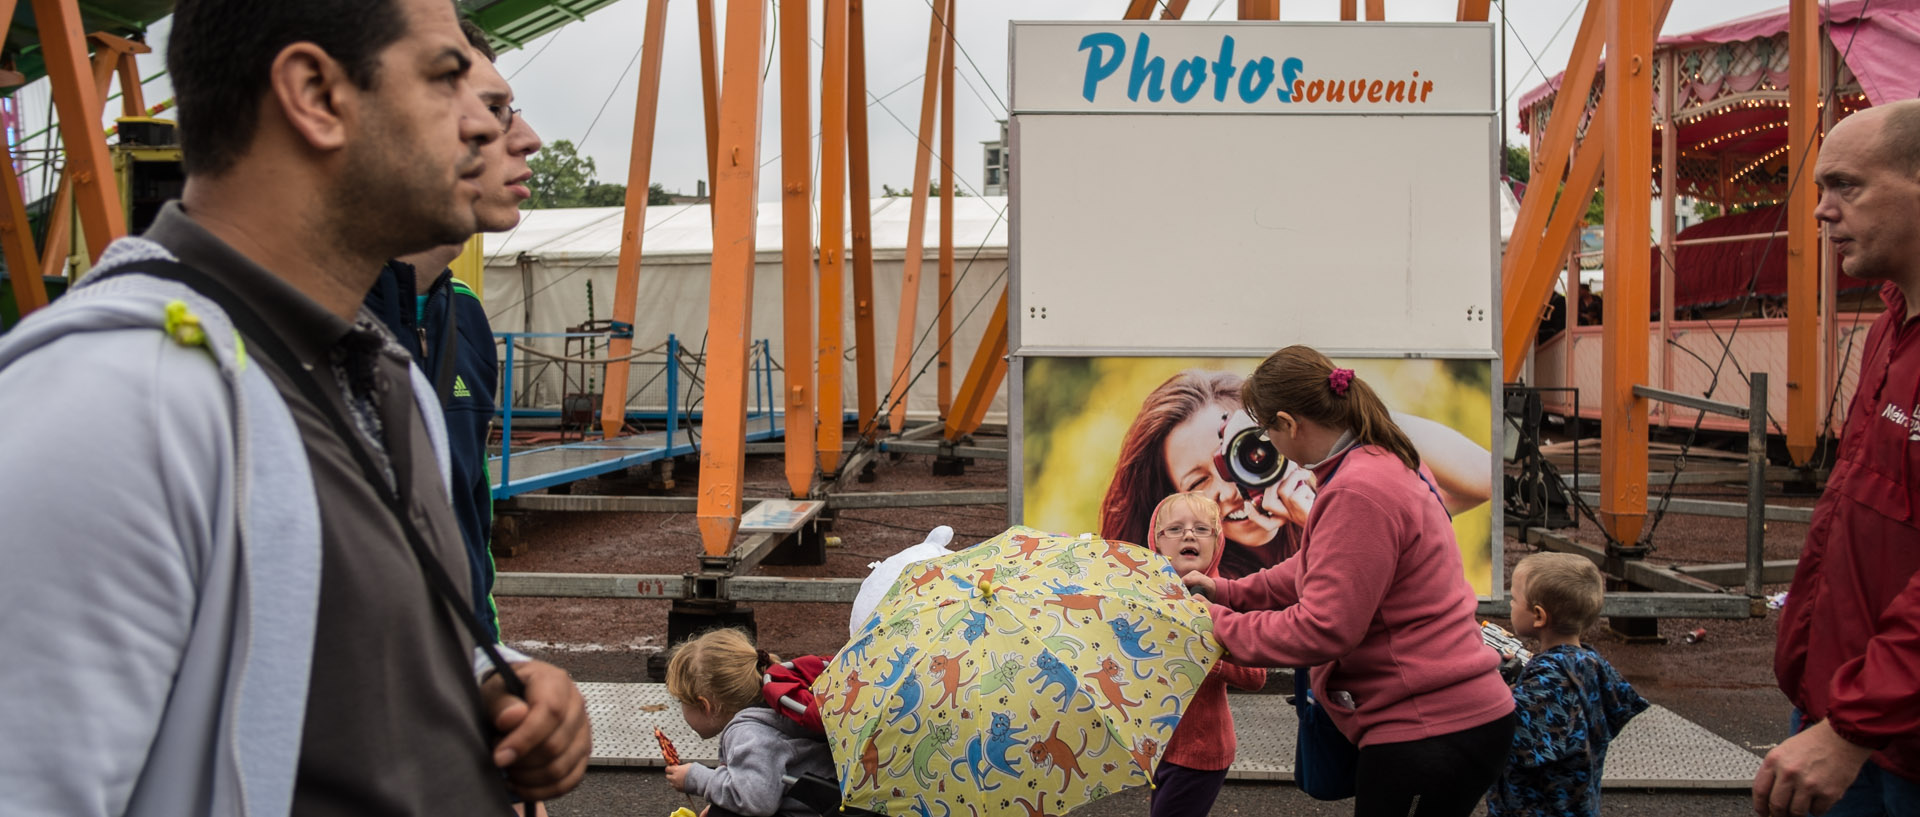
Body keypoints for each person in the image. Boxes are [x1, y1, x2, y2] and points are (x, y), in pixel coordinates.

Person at [0, 2, 590, 815]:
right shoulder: (112, 403)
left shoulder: (381, 374)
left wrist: (484, 681)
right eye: (446, 78)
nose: (490, 131)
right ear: (315, 94)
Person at [1183, 346, 1514, 817]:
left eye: (1266, 432)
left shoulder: (1358, 489)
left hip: (1427, 726)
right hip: (1451, 720)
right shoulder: (1381, 458)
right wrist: (1229, 592)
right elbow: (1321, 565)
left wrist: (1215, 626)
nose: (1268, 448)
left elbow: (1325, 627)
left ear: (1288, 423)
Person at [1759, 99, 1920, 817]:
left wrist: (1854, 723)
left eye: (1846, 186)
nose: (1821, 210)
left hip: (1885, 734)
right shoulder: (1892, 326)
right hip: (1847, 712)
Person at [366, 18, 541, 643]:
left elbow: (467, 527)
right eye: (491, 109)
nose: (523, 138)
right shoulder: (304, 322)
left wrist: (486, 667)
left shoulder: (462, 314)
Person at [1102, 368, 1492, 579]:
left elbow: (1482, 480)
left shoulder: (1339, 490)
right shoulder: (1193, 574)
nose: (1229, 486)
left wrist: (1338, 420)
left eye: (1241, 454)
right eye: (1198, 482)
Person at [1486, 553, 1648, 817]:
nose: (1511, 605)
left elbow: (1506, 737)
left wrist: (1493, 682)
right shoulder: (1588, 662)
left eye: (1514, 599)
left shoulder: (1549, 679)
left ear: (1538, 616)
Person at [1144, 492, 1267, 817]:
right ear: (1156, 544)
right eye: (1175, 529)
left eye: (1201, 529)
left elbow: (1256, 676)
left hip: (1200, 752)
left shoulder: (1222, 601)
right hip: (1160, 748)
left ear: (1217, 543)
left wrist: (1205, 647)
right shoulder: (1150, 600)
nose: (1188, 535)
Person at [664, 629, 836, 817]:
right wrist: (724, 801)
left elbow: (758, 801)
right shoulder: (774, 709)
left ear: (705, 705)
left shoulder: (749, 733)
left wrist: (697, 779)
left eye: (681, 701)